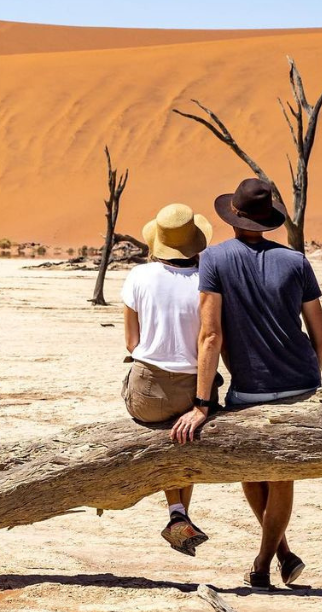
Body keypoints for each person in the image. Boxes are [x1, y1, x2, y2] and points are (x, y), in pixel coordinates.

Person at [170, 178, 322, 590]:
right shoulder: (296, 261)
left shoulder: (215, 259)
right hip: (301, 382)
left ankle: (263, 562)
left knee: (255, 471)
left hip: (249, 389)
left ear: (234, 216)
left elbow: (210, 336)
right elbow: (320, 337)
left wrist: (202, 403)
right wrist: (309, 379)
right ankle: (283, 554)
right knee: (279, 475)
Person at [121, 203, 221, 557]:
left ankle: (176, 514)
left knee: (169, 430)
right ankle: (179, 513)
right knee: (184, 436)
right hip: (195, 388)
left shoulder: (138, 276)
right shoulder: (208, 281)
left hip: (145, 393)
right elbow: (213, 338)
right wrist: (203, 400)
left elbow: (131, 343)